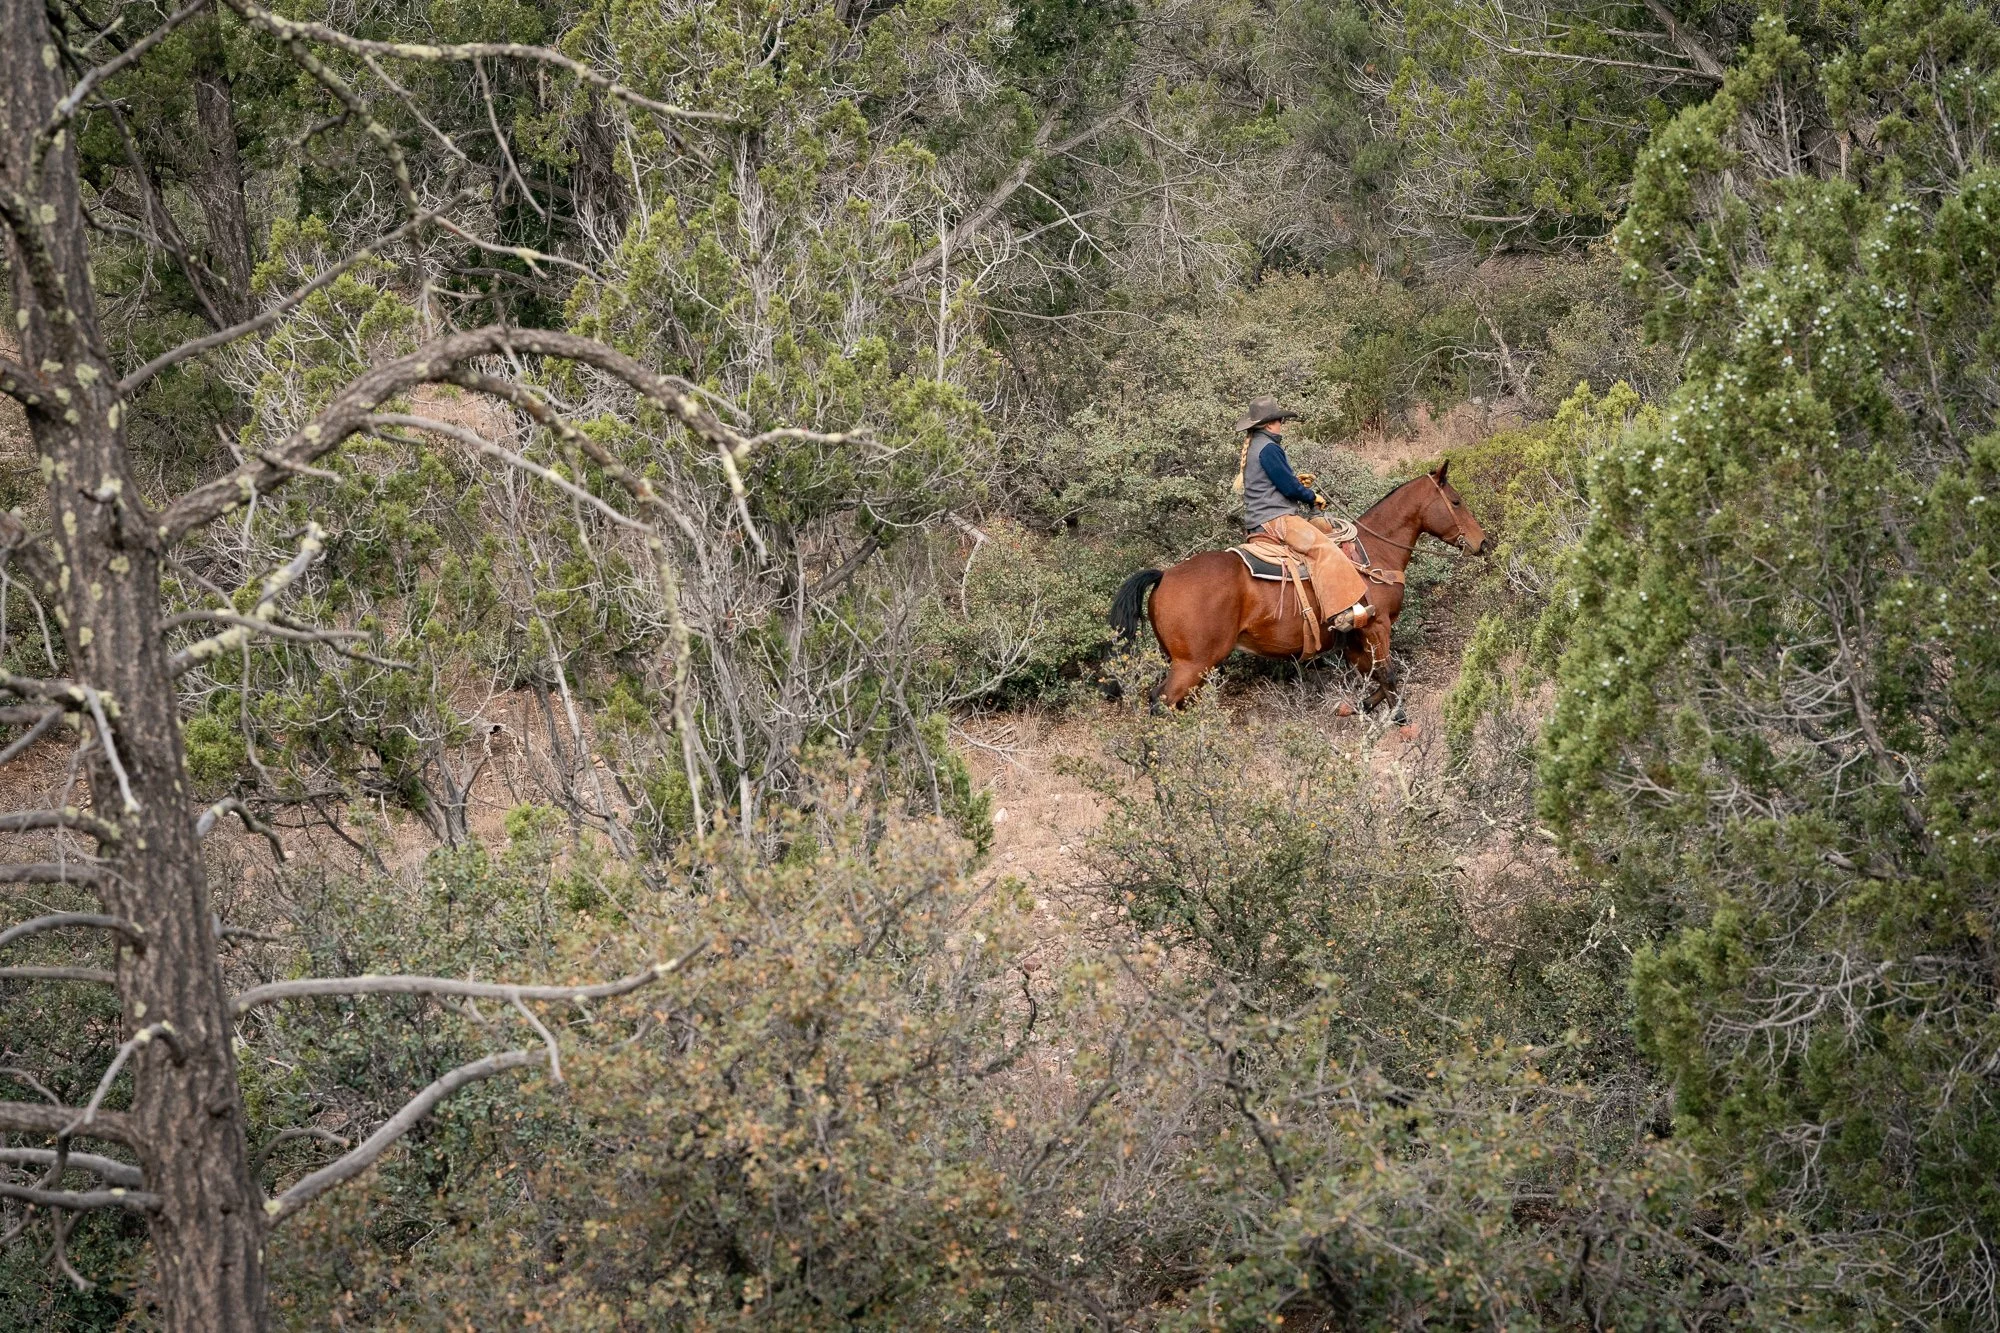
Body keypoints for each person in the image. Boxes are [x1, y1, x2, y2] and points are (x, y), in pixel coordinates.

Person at [1232, 396, 1371, 632]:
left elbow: (1276, 482)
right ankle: (1341, 613)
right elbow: (1287, 488)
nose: (1281, 424)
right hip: (1276, 520)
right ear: (1268, 424)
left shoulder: (1257, 445)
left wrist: (1296, 482)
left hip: (1260, 519)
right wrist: (1310, 496)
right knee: (1324, 549)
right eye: (1279, 420)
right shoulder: (1269, 448)